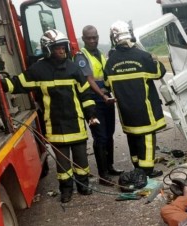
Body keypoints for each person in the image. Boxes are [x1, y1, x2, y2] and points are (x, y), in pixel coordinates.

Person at [0, 29, 98, 203]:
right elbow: (17, 84)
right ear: (47, 50)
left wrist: (91, 115)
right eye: (57, 48)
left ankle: (84, 186)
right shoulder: (38, 70)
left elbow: (85, 94)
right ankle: (66, 190)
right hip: (55, 125)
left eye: (63, 47)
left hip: (76, 123)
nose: (61, 51)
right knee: (63, 165)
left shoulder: (74, 68)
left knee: (81, 160)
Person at [104, 20, 166, 178]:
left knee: (133, 139)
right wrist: (155, 59)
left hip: (126, 112)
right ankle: (147, 171)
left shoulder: (110, 62)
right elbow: (159, 72)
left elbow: (107, 84)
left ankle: (137, 166)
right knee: (146, 139)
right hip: (144, 110)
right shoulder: (142, 56)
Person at [74, 25, 122, 187]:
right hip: (93, 102)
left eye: (95, 37)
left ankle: (110, 167)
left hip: (106, 100)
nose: (93, 40)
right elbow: (89, 79)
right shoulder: (81, 56)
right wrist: (102, 95)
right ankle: (103, 175)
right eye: (89, 38)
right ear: (83, 39)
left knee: (109, 134)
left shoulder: (100, 54)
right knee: (100, 136)